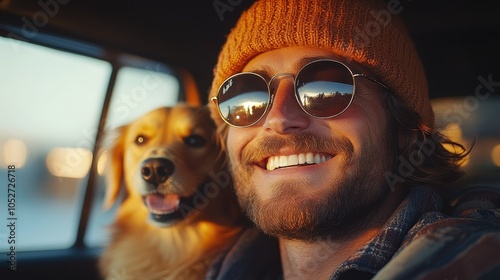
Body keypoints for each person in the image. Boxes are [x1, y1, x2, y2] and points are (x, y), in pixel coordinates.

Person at [206, 0, 500, 279]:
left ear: (402, 128)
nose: (278, 119)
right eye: (244, 95)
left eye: (329, 87)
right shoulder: (216, 265)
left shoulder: (475, 258)